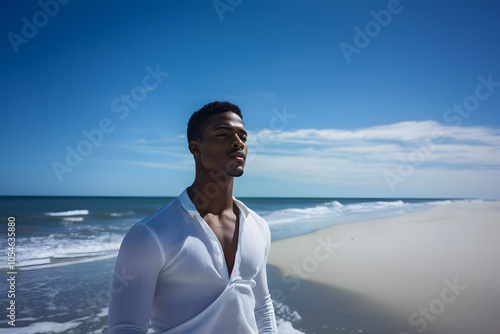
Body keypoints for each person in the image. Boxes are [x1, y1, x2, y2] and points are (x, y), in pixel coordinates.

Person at [108, 101, 278, 333]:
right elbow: (126, 327)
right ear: (195, 148)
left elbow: (261, 307)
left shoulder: (258, 227)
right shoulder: (150, 234)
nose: (238, 142)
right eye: (223, 134)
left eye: (243, 136)